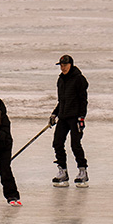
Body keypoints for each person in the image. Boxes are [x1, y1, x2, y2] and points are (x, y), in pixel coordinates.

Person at [49, 54, 89, 188]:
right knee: (57, 143)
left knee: (75, 144)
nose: (63, 67)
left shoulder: (79, 79)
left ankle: (83, 172)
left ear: (71, 65)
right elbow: (62, 101)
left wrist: (81, 118)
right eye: (61, 65)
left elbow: (83, 100)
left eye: (65, 65)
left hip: (75, 117)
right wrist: (54, 114)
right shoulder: (61, 80)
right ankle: (63, 172)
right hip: (63, 116)